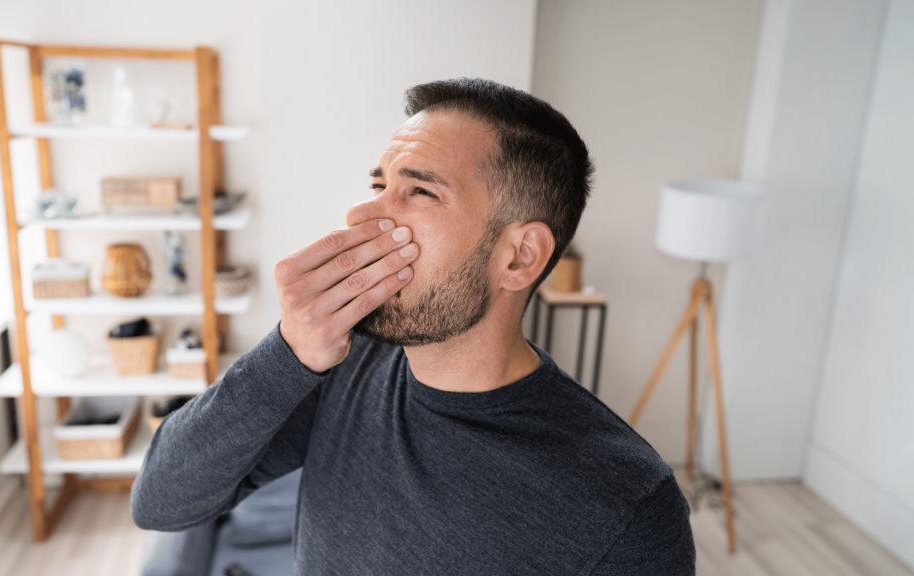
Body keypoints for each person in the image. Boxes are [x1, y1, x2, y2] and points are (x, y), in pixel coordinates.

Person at [132, 78, 695, 575]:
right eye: (379, 185)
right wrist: (288, 352)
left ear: (520, 256)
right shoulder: (344, 365)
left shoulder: (627, 504)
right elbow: (159, 501)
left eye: (420, 191)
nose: (363, 214)